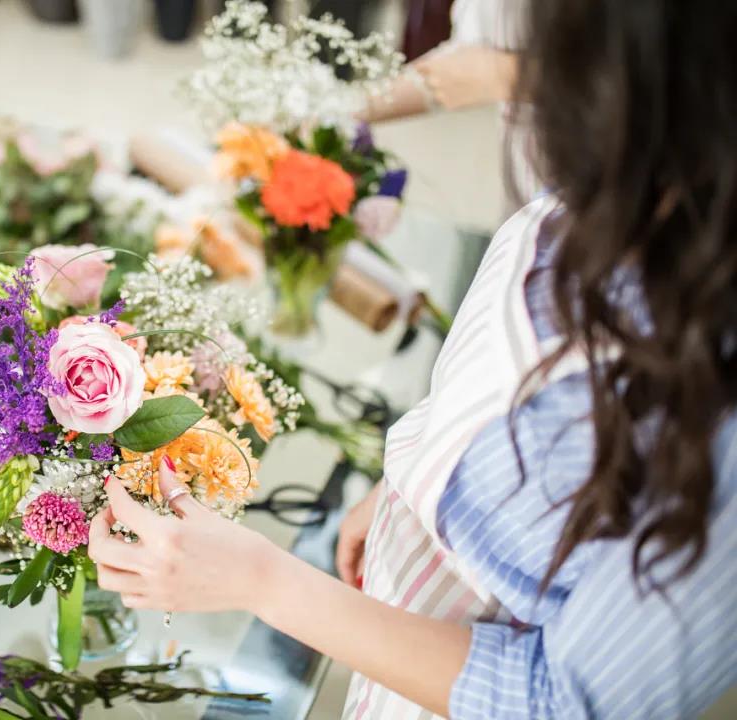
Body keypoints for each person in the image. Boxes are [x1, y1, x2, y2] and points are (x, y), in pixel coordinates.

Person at [87, 1, 737, 718]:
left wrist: (264, 582)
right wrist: (413, 479)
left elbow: (562, 701)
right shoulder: (629, 178)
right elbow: (504, 389)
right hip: (403, 608)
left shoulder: (716, 422)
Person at [365, 0, 534, 211]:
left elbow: (585, 73)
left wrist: (502, 74)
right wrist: (344, 111)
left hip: (576, 177)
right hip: (524, 183)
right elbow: (455, 67)